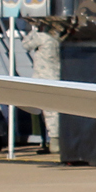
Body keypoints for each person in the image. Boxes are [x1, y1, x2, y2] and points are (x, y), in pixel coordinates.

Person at [21, 22, 61, 154]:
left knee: (49, 112)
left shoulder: (42, 37)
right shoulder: (57, 38)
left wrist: (33, 31)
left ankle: (53, 141)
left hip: (43, 78)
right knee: (54, 110)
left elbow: (25, 45)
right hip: (55, 76)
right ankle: (53, 139)